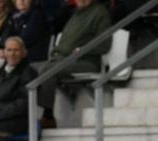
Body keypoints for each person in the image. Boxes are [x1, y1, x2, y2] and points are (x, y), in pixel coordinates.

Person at [37, 0, 111, 128]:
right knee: (29, 69)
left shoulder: (100, 13)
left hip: (85, 61)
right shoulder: (76, 14)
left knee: (47, 70)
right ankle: (23, 117)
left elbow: (105, 44)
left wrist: (83, 49)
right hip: (60, 60)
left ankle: (48, 116)